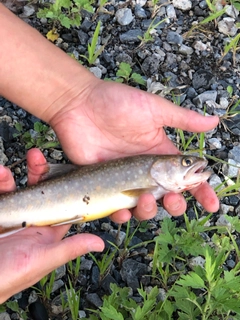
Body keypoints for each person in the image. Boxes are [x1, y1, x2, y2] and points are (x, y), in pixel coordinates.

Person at [0, 4, 219, 303]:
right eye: (185, 161)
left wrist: (76, 98)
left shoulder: (149, 179)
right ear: (161, 167)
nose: (193, 165)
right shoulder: (147, 178)